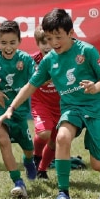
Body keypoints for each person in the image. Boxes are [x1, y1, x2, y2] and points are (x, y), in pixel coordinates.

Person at [0, 8, 100, 199]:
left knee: (97, 164)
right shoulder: (49, 60)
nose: (54, 43)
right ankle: (63, 196)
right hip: (72, 109)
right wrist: (11, 108)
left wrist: (96, 88)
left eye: (58, 37)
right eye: (49, 38)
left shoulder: (87, 51)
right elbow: (30, 86)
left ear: (71, 33)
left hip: (96, 109)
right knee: (61, 136)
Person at [0, 20, 37, 199]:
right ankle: (18, 182)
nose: (8, 47)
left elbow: (34, 83)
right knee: (3, 139)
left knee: (28, 147)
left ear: (19, 41)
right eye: (4, 42)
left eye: (12, 42)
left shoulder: (26, 60)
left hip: (18, 112)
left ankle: (28, 160)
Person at [30, 25, 61, 180]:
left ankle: (42, 170)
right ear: (38, 44)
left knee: (56, 142)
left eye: (51, 41)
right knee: (44, 133)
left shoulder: (65, 58)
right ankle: (36, 156)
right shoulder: (32, 60)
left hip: (62, 105)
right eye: (43, 42)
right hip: (41, 103)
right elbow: (30, 79)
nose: (47, 46)